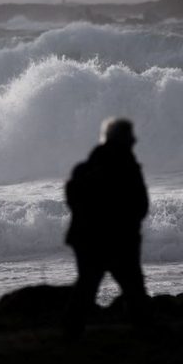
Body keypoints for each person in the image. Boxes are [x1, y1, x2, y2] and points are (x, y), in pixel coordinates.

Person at [63, 117, 150, 336]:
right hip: (116, 239)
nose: (134, 140)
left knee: (87, 286)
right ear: (122, 138)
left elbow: (74, 199)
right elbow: (138, 203)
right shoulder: (125, 165)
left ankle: (71, 331)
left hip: (88, 238)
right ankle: (145, 330)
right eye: (130, 136)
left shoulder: (89, 165)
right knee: (133, 287)